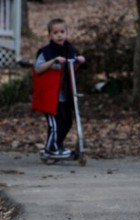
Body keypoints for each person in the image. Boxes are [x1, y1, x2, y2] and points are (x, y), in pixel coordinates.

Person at [32, 18, 86, 158]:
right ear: (50, 35)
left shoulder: (70, 50)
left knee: (67, 120)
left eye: (62, 32)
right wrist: (52, 61)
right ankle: (51, 149)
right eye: (55, 33)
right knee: (55, 124)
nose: (59, 35)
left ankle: (56, 146)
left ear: (67, 33)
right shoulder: (45, 52)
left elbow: (71, 71)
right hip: (50, 96)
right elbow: (38, 69)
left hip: (64, 94)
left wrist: (78, 62)